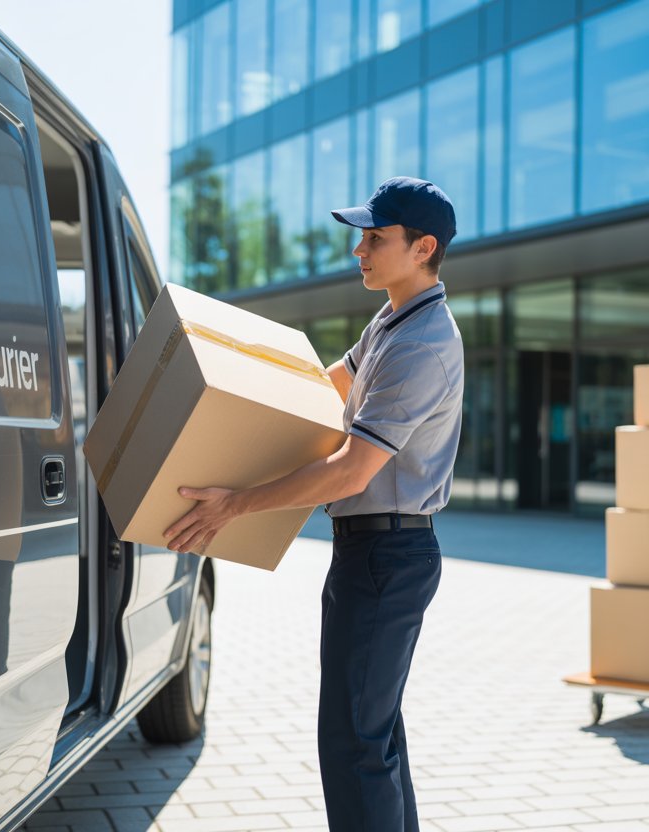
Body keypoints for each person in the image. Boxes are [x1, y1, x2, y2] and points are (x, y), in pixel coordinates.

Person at [165, 176, 465, 831]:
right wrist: (222, 391)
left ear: (423, 248)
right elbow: (322, 389)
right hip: (371, 552)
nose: (359, 248)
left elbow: (353, 469)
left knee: (356, 743)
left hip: (389, 553)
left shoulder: (422, 345)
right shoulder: (393, 321)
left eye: (375, 237)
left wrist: (235, 503)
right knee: (371, 736)